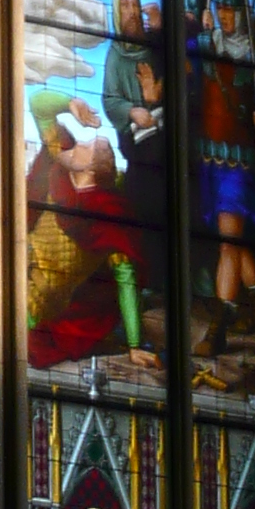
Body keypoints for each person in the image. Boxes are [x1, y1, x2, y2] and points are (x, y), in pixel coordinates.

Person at [191, 0, 255, 384]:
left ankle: (219, 328)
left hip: (242, 163)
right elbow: (185, 48)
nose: (226, 16)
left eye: (232, 9)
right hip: (212, 158)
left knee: (229, 241)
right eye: (221, 8)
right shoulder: (208, 46)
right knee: (233, 237)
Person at [25, 86, 151, 366]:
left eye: (86, 148)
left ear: (92, 168)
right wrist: (71, 102)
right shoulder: (61, 170)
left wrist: (134, 345)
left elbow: (126, 280)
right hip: (17, 260)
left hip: (42, 298)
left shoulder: (109, 214)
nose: (77, 146)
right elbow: (37, 103)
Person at [101, 0, 166, 213]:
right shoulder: (115, 56)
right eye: (125, 5)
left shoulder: (156, 45)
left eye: (135, 5)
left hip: (166, 143)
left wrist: (156, 90)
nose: (132, 12)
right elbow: (109, 98)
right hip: (138, 150)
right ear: (118, 13)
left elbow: (181, 71)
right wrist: (132, 111)